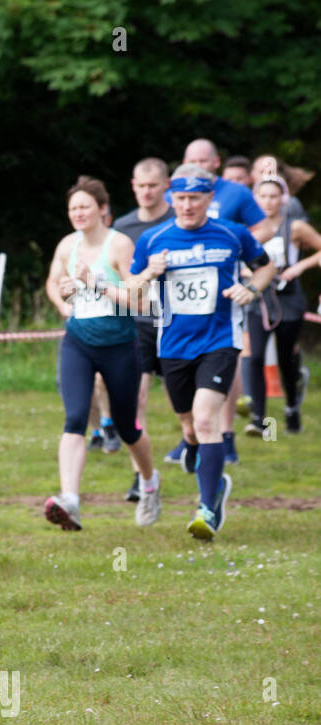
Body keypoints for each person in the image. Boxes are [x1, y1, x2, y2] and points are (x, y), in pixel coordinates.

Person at [129, 164, 276, 540]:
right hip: (174, 345)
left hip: (220, 341)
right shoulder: (153, 239)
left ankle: (207, 509)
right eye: (180, 198)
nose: (187, 205)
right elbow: (130, 290)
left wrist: (252, 289)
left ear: (210, 198)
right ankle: (198, 453)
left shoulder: (233, 234)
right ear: (170, 198)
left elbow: (265, 267)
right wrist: (148, 274)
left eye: (195, 198)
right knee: (189, 426)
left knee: (206, 418)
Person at [43, 177, 161, 530]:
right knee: (75, 417)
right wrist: (62, 300)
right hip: (78, 341)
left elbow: (137, 300)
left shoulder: (119, 245)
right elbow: (53, 281)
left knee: (127, 427)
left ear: (102, 210)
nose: (78, 213)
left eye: (84, 207)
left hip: (119, 344)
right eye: (72, 208)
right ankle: (71, 502)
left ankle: (149, 482)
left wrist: (94, 282)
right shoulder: (68, 246)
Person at [164, 139, 272, 467]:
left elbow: (264, 229)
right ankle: (195, 437)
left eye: (203, 159)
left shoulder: (236, 193)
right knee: (189, 400)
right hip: (181, 314)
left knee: (235, 356)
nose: (197, 164)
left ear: (216, 163)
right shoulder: (176, 197)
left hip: (229, 293)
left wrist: (240, 260)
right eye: (191, 158)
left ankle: (229, 434)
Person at [113, 157, 176, 501]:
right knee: (135, 399)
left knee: (185, 401)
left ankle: (193, 443)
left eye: (154, 185)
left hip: (178, 320)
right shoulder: (123, 226)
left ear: (165, 185)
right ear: (133, 185)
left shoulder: (179, 220)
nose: (147, 192)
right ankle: (141, 476)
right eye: (141, 185)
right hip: (138, 322)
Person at [244, 175, 321, 434]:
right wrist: (245, 272)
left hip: (288, 299)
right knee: (254, 357)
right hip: (259, 298)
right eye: (263, 196)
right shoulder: (247, 228)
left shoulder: (296, 227)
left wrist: (299, 266)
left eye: (273, 196)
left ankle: (291, 407)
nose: (268, 201)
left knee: (285, 358)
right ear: (255, 199)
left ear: (283, 199)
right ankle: (260, 420)